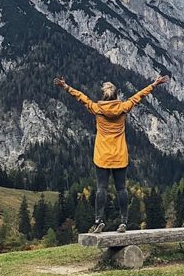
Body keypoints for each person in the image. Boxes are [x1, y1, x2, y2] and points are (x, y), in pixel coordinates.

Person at [54, 74, 170, 233]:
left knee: (101, 188)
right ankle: (123, 222)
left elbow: (80, 97)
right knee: (121, 189)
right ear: (116, 96)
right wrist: (155, 84)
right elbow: (140, 95)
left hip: (102, 155)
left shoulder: (97, 109)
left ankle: (98, 220)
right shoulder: (123, 107)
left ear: (104, 95)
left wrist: (65, 86)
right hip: (119, 155)